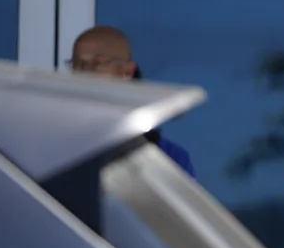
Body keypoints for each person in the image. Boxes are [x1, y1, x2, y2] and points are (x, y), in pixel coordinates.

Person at [69, 25, 195, 178]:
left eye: (94, 65)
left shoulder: (169, 158)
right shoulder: (54, 144)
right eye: (76, 64)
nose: (82, 74)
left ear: (127, 72)